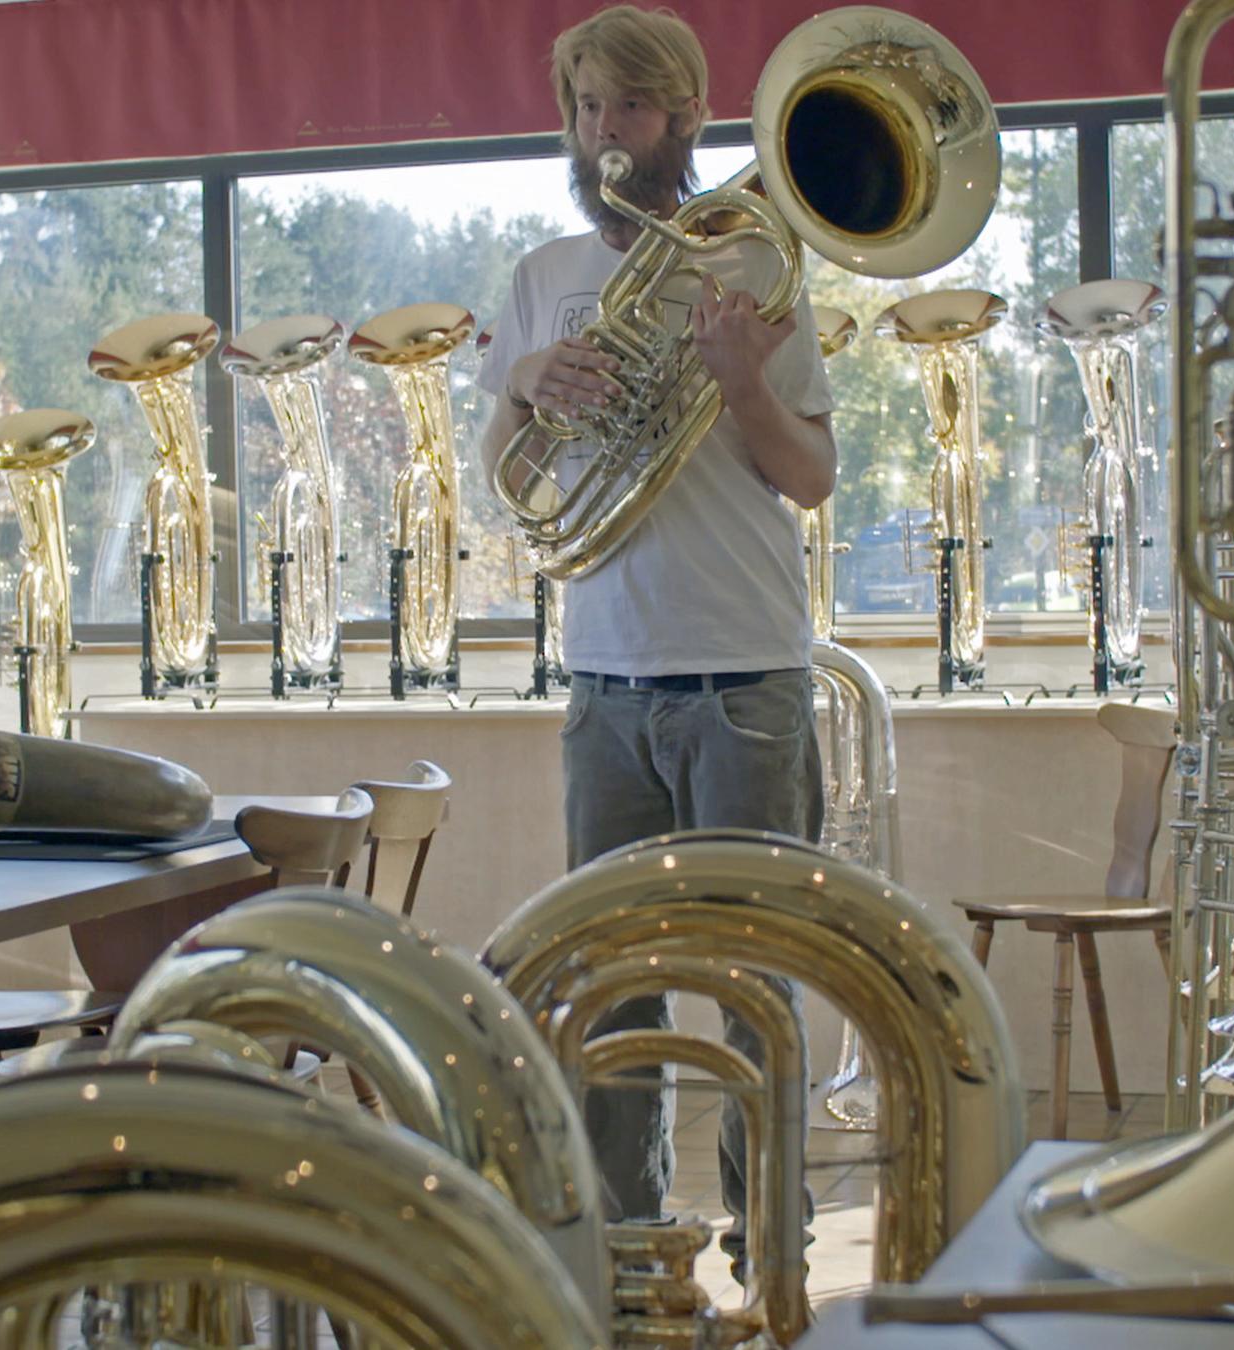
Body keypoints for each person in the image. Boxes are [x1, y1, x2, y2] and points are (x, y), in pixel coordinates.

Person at [474, 3, 836, 1286]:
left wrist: (741, 382)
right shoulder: (535, 282)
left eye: (626, 108)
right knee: (609, 987)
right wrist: (526, 386)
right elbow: (509, 485)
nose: (600, 134)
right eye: (583, 109)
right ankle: (625, 1256)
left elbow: (811, 478)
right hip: (606, 686)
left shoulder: (757, 260)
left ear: (683, 115)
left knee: (756, 985)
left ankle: (775, 1257)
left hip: (744, 678)